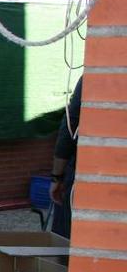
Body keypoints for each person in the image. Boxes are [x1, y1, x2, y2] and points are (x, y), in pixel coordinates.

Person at [49, 76, 82, 239]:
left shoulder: (96, 76)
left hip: (85, 174)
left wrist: (57, 177)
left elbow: (69, 127)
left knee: (63, 243)